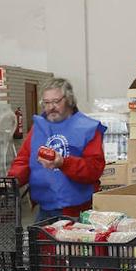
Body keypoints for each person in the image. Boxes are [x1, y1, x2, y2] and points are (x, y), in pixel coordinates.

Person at [7, 78, 106, 220]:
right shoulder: (39, 128)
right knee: (39, 240)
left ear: (69, 100)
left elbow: (94, 169)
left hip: (76, 209)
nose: (50, 107)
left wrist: (64, 163)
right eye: (46, 103)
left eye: (56, 101)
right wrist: (11, 181)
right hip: (45, 206)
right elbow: (23, 160)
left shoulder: (87, 128)